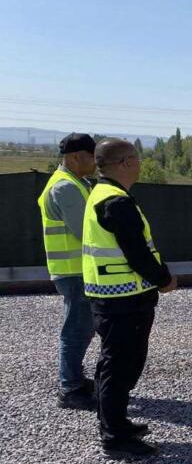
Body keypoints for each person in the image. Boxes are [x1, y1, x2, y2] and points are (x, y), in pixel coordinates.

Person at [81, 138, 176, 459]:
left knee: (114, 362)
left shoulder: (103, 193)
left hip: (112, 296)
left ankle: (115, 422)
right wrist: (164, 279)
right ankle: (115, 437)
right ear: (124, 163)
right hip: (124, 299)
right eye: (136, 158)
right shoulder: (116, 202)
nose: (139, 163)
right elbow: (137, 252)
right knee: (120, 365)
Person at [38, 133, 98, 410]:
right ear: (76, 157)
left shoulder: (76, 183)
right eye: (92, 157)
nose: (96, 162)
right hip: (73, 272)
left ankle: (74, 379)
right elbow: (85, 231)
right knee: (76, 330)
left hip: (76, 270)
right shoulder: (66, 188)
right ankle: (70, 388)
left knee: (82, 328)